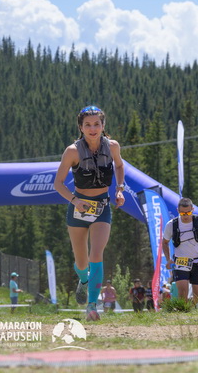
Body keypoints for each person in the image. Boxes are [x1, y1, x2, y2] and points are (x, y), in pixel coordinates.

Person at [54, 105, 125, 322]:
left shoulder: (112, 146)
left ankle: (92, 306)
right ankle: (83, 280)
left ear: (103, 126)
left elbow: (119, 166)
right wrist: (75, 201)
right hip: (78, 209)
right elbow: (58, 184)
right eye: (88, 125)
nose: (92, 129)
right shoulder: (72, 151)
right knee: (82, 262)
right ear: (81, 127)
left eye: (96, 124)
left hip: (102, 208)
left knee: (96, 254)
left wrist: (119, 189)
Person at [163, 197, 198, 304]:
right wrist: (168, 259)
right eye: (182, 213)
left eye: (188, 212)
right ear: (178, 211)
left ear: (192, 209)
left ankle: (189, 307)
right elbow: (165, 242)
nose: (185, 216)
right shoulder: (171, 224)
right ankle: (183, 310)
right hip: (181, 261)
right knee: (182, 293)